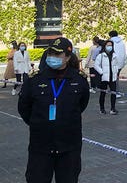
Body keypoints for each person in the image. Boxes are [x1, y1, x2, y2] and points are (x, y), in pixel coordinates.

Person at [18, 37, 90, 183]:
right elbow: (24, 108)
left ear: (68, 57)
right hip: (41, 145)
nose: (52, 58)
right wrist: (40, 123)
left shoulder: (79, 80)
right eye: (50, 53)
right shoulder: (35, 80)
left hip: (69, 146)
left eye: (58, 55)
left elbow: (82, 105)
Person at [94, 40, 120, 115]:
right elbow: (96, 65)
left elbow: (117, 65)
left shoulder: (114, 55)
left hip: (113, 77)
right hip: (104, 78)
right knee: (103, 93)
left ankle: (113, 108)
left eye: (111, 45)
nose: (110, 47)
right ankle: (102, 109)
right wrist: (101, 72)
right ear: (104, 46)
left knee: (113, 93)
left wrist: (116, 72)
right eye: (108, 45)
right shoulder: (101, 55)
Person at [109, 30, 127, 98]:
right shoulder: (122, 42)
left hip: (113, 62)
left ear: (110, 36)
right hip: (121, 62)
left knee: (113, 77)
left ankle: (116, 92)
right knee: (116, 77)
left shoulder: (110, 42)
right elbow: (125, 52)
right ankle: (116, 91)